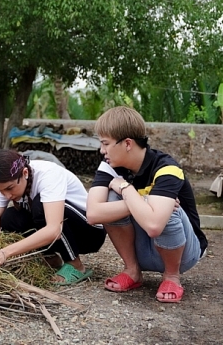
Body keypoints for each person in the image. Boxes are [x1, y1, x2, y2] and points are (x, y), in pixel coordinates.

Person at [86, 106, 208, 303]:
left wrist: (126, 188)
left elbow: (154, 225)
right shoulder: (109, 167)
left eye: (105, 144)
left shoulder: (167, 168)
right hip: (143, 250)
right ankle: (132, 270)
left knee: (165, 212)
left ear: (127, 143)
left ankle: (171, 276)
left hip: (183, 252)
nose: (102, 151)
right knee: (110, 200)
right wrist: (143, 201)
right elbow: (93, 214)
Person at [0, 149, 106, 285]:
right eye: (1, 191)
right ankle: (50, 258)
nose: (7, 195)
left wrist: (5, 253)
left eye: (10, 188)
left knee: (40, 206)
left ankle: (75, 264)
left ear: (25, 173)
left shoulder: (48, 175)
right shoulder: (4, 185)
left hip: (89, 233)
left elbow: (54, 230)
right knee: (9, 218)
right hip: (60, 232)